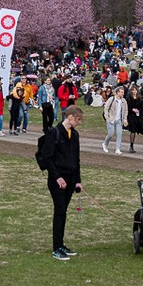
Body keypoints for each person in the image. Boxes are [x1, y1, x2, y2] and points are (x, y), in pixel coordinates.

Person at [39, 104, 83, 260]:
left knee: (63, 211)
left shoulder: (75, 135)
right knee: (59, 211)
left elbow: (76, 159)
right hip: (57, 180)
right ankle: (56, 247)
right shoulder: (54, 133)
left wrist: (78, 181)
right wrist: (57, 177)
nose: (79, 122)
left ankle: (61, 244)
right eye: (78, 119)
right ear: (70, 117)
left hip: (70, 179)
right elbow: (47, 158)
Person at [102, 87, 125, 154]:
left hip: (119, 120)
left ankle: (118, 149)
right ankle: (105, 144)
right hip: (111, 119)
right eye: (121, 92)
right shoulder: (112, 99)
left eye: (123, 92)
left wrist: (124, 119)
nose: (123, 93)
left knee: (119, 133)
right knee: (111, 133)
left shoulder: (123, 101)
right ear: (117, 92)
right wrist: (107, 117)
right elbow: (106, 108)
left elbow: (125, 110)